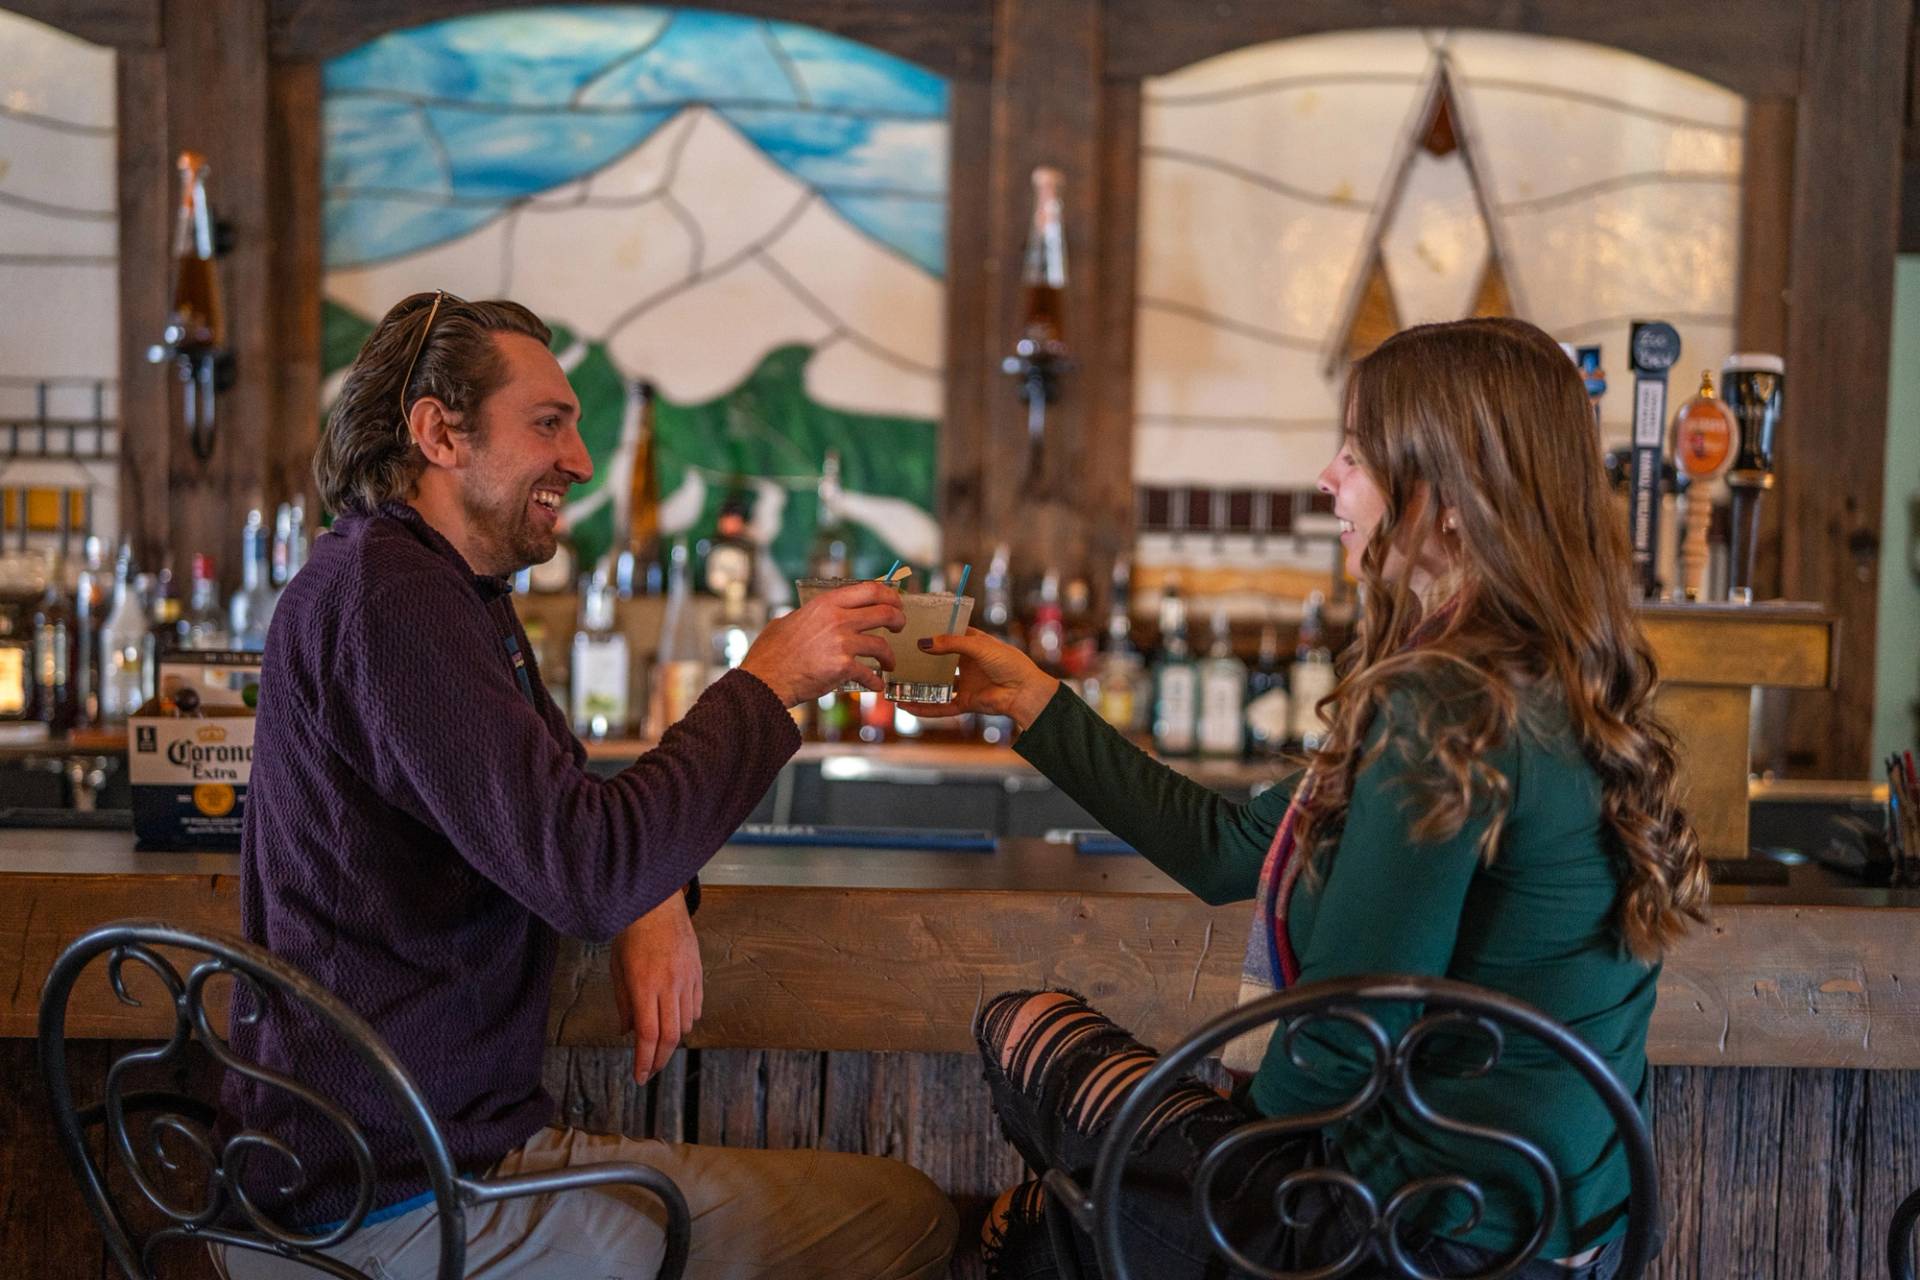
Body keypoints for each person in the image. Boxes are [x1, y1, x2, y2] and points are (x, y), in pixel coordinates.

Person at [912, 317, 1706, 1278]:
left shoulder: (1446, 700)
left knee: (1024, 1036)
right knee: (1056, 1216)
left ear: (1450, 500)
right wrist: (1030, 699)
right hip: (1555, 1229)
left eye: (1357, 455)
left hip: (1409, 1236)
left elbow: (1341, 1039)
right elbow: (1222, 849)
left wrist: (1204, 1156)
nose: (1328, 480)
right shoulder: (1548, 678)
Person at [218, 291, 956, 1280]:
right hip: (383, 1196)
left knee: (902, 1210)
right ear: (440, 432)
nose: (578, 460)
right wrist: (773, 680)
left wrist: (648, 889)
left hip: (453, 1158)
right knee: (654, 1242)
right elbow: (589, 863)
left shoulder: (451, 590)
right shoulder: (389, 595)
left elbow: (576, 820)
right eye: (549, 424)